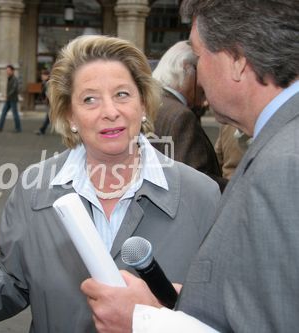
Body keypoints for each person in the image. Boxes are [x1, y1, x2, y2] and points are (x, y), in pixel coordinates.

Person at [0, 35, 220, 332]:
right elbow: (12, 279)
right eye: (89, 99)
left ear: (144, 103)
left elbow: (226, 303)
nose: (109, 111)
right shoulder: (35, 186)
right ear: (69, 116)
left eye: (123, 95)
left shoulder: (200, 195)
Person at [81, 0, 299, 332]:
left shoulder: (284, 165)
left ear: (238, 60)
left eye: (198, 56)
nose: (197, 73)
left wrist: (142, 321)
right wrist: (189, 302)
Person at [151, 40, 226, 191]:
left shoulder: (152, 103)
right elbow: (192, 182)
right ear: (187, 68)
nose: (206, 82)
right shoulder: (180, 116)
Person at [0, 64, 21, 132]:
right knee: (3, 113)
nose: (7, 72)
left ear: (12, 71)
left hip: (13, 99)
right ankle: (0, 127)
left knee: (15, 114)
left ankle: (18, 128)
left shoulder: (15, 79)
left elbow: (14, 89)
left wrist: (7, 95)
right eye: (7, 70)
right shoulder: (9, 78)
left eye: (9, 70)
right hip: (9, 99)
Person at [34, 69, 51, 135]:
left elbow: (49, 93)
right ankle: (42, 130)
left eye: (43, 75)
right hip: (50, 103)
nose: (42, 76)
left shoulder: (48, 83)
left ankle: (42, 130)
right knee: (49, 117)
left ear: (47, 76)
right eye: (42, 75)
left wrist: (46, 99)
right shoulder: (45, 82)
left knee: (49, 117)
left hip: (52, 103)